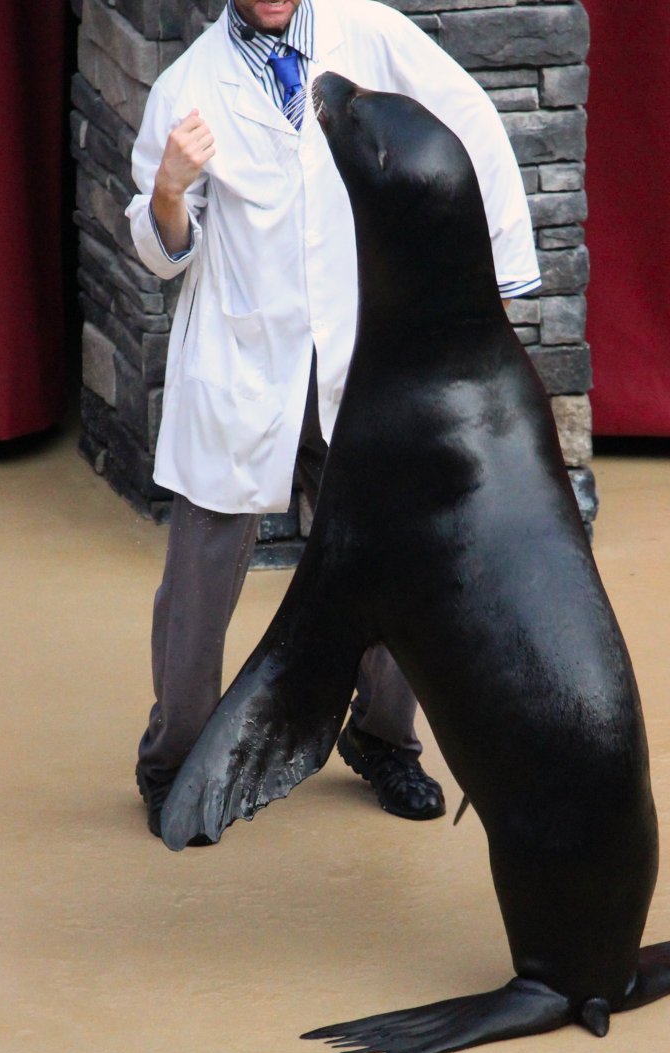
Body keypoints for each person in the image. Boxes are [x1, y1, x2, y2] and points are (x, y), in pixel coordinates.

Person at [125, 0, 540, 841]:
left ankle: (383, 737)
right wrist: (169, 189)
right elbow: (168, 245)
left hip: (362, 354)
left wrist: (494, 275)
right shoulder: (186, 86)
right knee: (200, 582)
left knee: (398, 560)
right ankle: (175, 757)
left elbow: (467, 119)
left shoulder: (372, 34)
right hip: (248, 366)